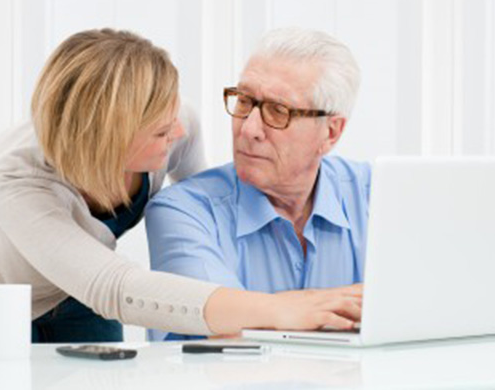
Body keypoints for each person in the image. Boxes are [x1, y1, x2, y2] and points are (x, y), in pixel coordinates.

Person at [0, 28, 362, 344]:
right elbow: (115, 287)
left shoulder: (178, 125)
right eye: (160, 131)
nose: (177, 131)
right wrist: (283, 309)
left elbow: (210, 212)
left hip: (76, 292)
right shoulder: (15, 180)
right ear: (108, 139)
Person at [145, 27, 370, 340]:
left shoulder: (376, 195)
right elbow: (221, 338)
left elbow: (421, 302)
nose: (249, 129)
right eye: (244, 101)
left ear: (330, 132)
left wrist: (272, 314)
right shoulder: (183, 210)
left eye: (278, 111)